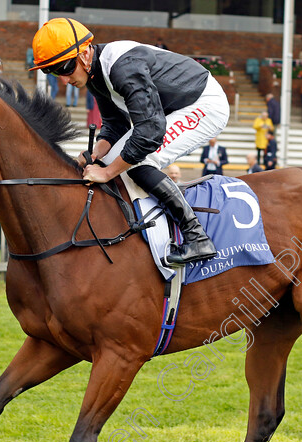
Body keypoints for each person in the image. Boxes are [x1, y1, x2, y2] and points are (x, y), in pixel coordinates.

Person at [29, 17, 229, 264]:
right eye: (52, 71)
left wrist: (106, 173)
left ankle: (197, 237)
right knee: (114, 160)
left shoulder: (122, 67)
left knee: (136, 160)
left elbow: (150, 133)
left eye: (64, 68)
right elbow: (116, 124)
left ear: (83, 55)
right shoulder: (95, 73)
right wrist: (95, 154)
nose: (63, 78)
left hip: (204, 104)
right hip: (169, 111)